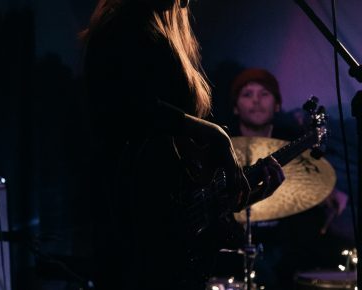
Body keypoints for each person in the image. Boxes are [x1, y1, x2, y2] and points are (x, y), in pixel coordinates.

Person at [79, 2, 285, 290]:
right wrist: (217, 135)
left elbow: (183, 196)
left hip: (172, 251)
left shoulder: (162, 36)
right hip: (135, 240)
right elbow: (135, 109)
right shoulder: (121, 31)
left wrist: (239, 196)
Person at [225, 67, 349, 289]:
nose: (256, 101)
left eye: (264, 94)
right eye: (247, 94)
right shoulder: (222, 149)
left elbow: (311, 180)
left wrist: (326, 191)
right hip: (235, 246)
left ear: (277, 104)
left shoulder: (294, 145)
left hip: (284, 246)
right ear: (235, 107)